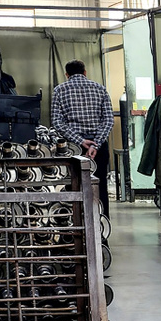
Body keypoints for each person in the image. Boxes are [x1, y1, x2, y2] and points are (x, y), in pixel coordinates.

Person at [48, 60, 114, 213]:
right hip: (98, 147)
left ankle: (76, 221)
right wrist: (95, 144)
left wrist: (81, 141)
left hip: (73, 148)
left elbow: (57, 122)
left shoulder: (59, 90)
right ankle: (101, 223)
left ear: (67, 74)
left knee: (73, 185)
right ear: (85, 72)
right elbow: (109, 120)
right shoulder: (100, 89)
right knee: (99, 185)